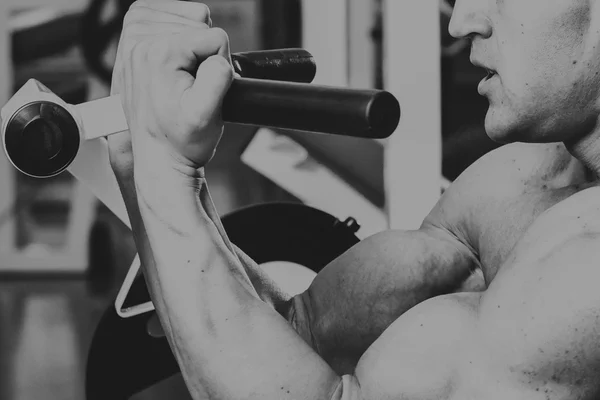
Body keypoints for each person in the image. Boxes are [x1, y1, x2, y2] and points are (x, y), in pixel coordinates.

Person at [107, 0, 600, 398]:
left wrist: (165, 174)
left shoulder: (585, 270)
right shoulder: (521, 176)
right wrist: (139, 153)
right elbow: (304, 333)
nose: (461, 20)